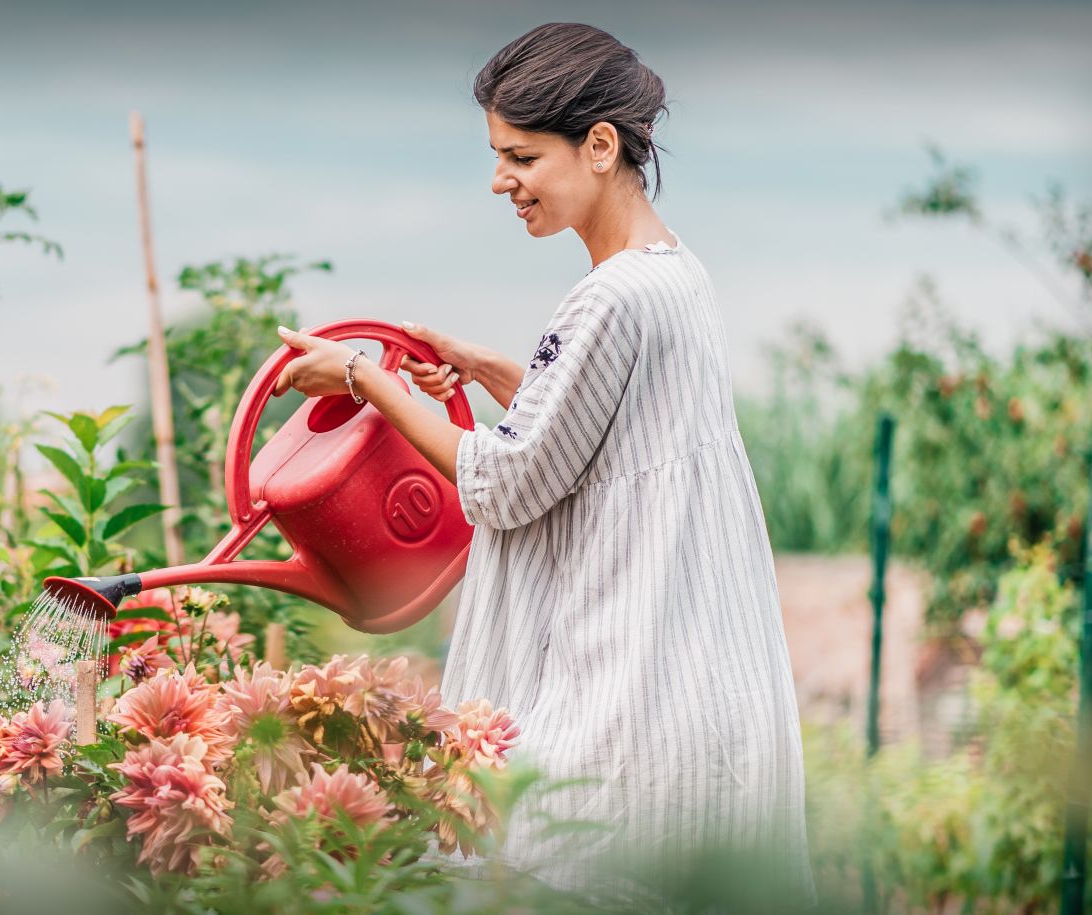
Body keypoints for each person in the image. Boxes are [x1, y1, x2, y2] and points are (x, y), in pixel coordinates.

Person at [271, 22, 814, 905]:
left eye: (520, 156)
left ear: (599, 146)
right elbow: (608, 430)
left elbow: (506, 480)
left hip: (624, 700)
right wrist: (485, 369)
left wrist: (364, 377)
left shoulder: (608, 296)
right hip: (699, 687)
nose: (500, 181)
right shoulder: (675, 276)